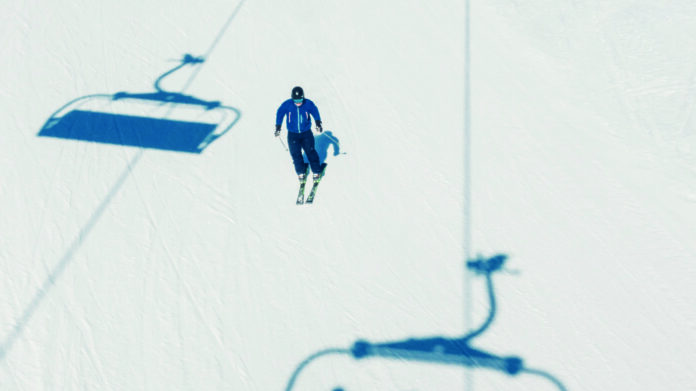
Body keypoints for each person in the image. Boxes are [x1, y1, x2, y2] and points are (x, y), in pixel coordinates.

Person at [275, 86, 326, 183]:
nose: (298, 102)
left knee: (310, 151)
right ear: (292, 98)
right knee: (295, 154)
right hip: (292, 134)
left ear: (303, 97)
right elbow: (280, 113)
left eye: (300, 99)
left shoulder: (308, 103)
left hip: (306, 133)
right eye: (296, 100)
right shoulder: (287, 104)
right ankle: (301, 172)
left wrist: (318, 122)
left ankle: (316, 171)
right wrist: (278, 126)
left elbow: (315, 111)